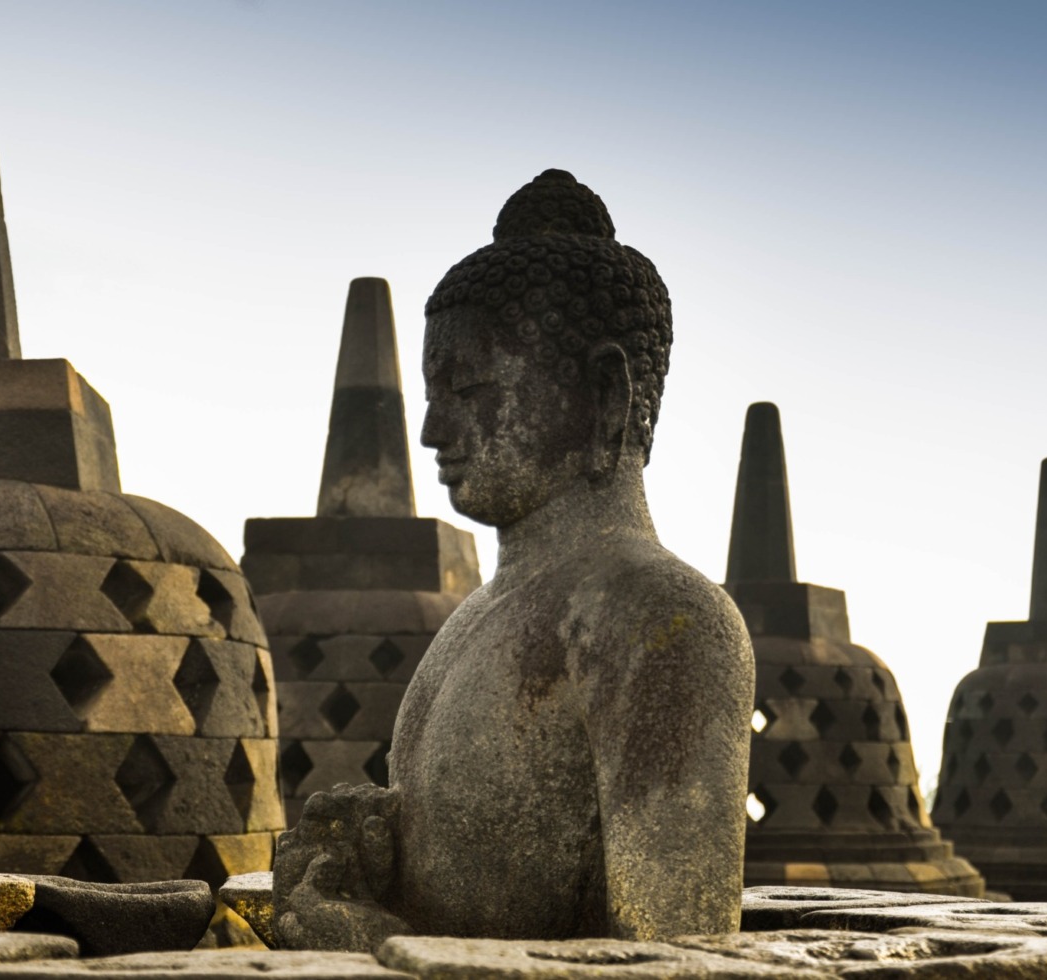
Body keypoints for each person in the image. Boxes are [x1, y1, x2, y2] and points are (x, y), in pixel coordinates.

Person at [273, 170, 754, 950]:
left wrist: (370, 947)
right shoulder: (474, 617)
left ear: (604, 394)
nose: (432, 430)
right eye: (431, 391)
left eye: (468, 387)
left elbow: (675, 964)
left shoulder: (660, 620)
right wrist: (365, 869)